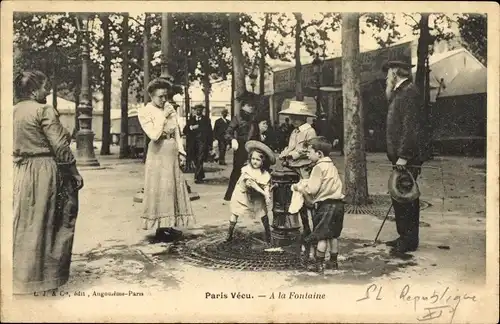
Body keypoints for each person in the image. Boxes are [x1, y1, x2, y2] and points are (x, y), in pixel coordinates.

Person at [13, 70, 84, 294]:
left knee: (27, 222)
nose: (48, 90)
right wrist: (74, 172)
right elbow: (61, 147)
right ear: (34, 91)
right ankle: (46, 280)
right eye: (45, 87)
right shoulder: (43, 110)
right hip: (45, 169)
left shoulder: (12, 111)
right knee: (53, 220)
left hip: (22, 170)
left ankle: (23, 277)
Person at [138, 76, 194, 237]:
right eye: (160, 96)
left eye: (165, 96)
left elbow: (176, 131)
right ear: (151, 95)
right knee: (160, 187)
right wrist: (163, 116)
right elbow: (154, 135)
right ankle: (159, 227)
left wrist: (181, 152)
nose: (164, 99)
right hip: (158, 152)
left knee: (172, 187)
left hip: (171, 150)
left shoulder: (169, 107)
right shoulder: (145, 111)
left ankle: (169, 224)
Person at [382, 60, 424, 254]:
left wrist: (404, 156)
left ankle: (408, 240)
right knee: (399, 195)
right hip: (399, 158)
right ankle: (404, 237)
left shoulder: (408, 92)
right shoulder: (401, 92)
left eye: (388, 73)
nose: (386, 77)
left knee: (406, 196)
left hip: (406, 158)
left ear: (395, 72)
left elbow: (411, 128)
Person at [291, 137, 345, 273]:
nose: (308, 155)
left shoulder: (318, 168)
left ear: (319, 154)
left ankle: (319, 264)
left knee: (322, 236)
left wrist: (300, 188)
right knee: (333, 235)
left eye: (310, 152)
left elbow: (312, 189)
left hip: (325, 206)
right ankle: (333, 262)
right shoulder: (331, 166)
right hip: (338, 205)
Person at [278, 100, 317, 260]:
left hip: (305, 168)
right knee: (297, 199)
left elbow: (310, 150)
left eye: (296, 117)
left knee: (309, 199)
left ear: (304, 118)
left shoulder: (309, 131)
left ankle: (315, 231)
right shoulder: (294, 132)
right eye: (292, 116)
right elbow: (291, 147)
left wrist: (295, 154)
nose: (293, 119)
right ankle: (306, 229)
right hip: (293, 167)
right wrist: (285, 153)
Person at [226, 140, 275, 243]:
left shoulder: (265, 174)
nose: (255, 161)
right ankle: (229, 233)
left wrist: (266, 194)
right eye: (253, 158)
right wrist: (265, 193)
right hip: (242, 193)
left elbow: (266, 184)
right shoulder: (246, 170)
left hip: (256, 195)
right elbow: (251, 184)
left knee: (263, 212)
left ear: (263, 161)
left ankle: (268, 234)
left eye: (258, 159)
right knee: (235, 212)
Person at [223, 91, 260, 201]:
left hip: (253, 147)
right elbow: (227, 133)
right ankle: (230, 195)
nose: (251, 108)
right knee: (237, 171)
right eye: (249, 105)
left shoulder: (255, 118)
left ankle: (250, 196)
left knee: (254, 171)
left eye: (253, 106)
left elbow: (257, 133)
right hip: (241, 147)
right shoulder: (238, 118)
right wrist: (233, 139)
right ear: (243, 106)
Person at [184, 104, 213, 183]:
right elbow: (185, 130)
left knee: (200, 158)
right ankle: (201, 175)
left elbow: (210, 132)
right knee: (195, 159)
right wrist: (191, 127)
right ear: (195, 110)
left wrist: (210, 145)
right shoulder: (191, 119)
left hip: (202, 142)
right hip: (193, 143)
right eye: (197, 109)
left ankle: (197, 177)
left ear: (202, 110)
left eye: (200, 109)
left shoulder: (206, 120)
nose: (198, 111)